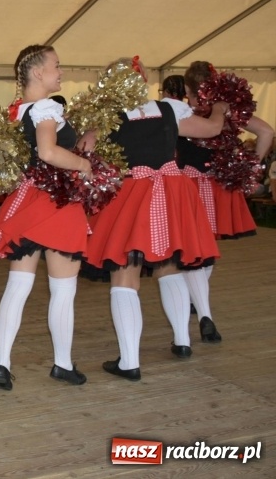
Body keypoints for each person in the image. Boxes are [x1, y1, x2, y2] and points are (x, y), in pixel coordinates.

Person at [81, 57, 227, 381]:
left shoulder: (107, 118)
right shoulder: (168, 109)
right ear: (143, 80)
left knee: (125, 276)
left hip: (132, 195)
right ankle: (182, 341)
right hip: (171, 194)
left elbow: (83, 152)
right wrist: (219, 107)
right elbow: (212, 129)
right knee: (169, 267)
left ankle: (129, 362)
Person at [0, 45, 91, 393]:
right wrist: (84, 165)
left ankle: (2, 363)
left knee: (18, 286)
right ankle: (62, 363)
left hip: (26, 201)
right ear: (38, 73)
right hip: (57, 202)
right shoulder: (46, 108)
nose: (61, 71)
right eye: (56, 65)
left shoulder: (18, 111)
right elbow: (48, 151)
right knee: (63, 290)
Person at [178, 62, 274, 343]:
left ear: (187, 89)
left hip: (187, 186)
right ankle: (198, 304)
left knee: (193, 251)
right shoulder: (229, 111)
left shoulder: (182, 114)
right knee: (207, 248)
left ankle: (201, 310)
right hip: (219, 186)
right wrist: (250, 168)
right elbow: (266, 132)